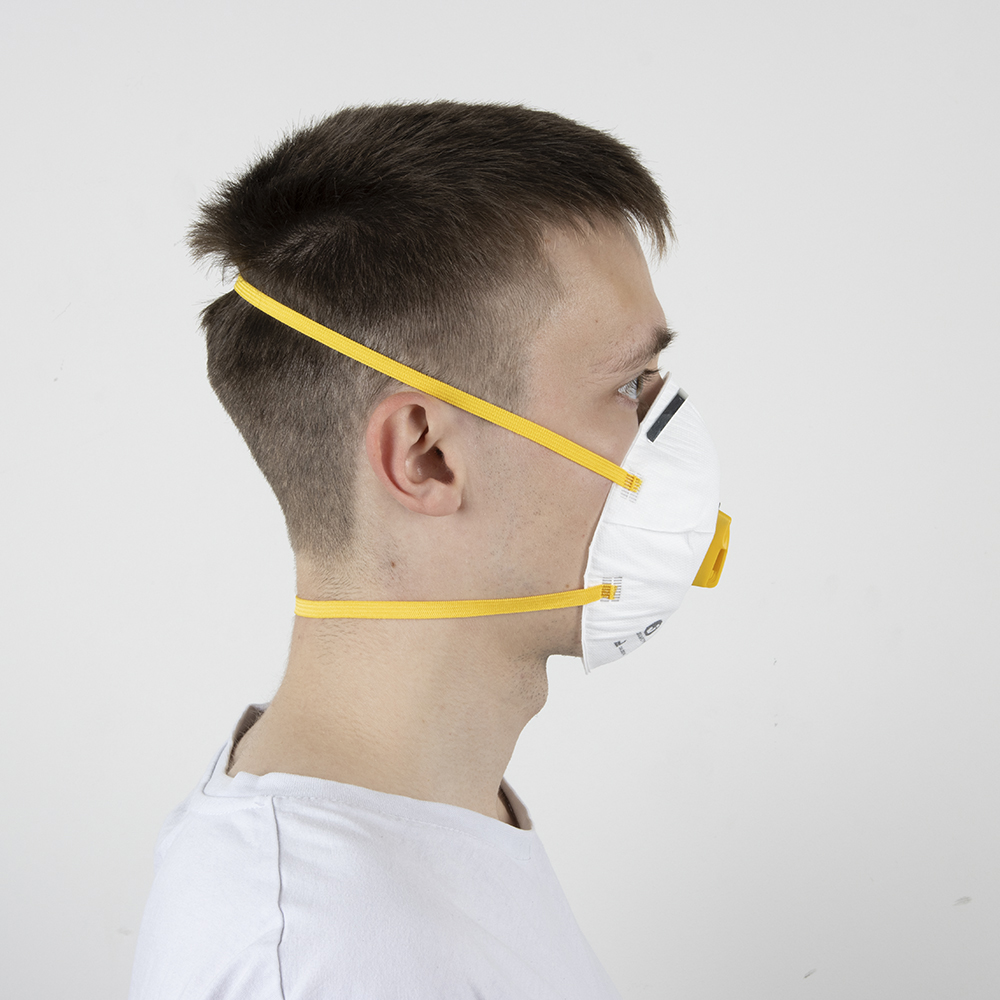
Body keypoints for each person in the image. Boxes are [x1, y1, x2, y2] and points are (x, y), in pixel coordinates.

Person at [128, 101, 727, 999]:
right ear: (426, 456)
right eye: (629, 384)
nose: (664, 431)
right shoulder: (317, 957)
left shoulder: (431, 831)